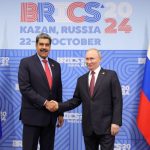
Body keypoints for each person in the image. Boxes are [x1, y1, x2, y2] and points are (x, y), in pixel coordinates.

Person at [49, 48, 122, 150]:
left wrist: (116, 122)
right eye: (87, 59)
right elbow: (75, 101)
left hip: (107, 127)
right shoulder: (81, 80)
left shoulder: (111, 75)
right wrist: (58, 106)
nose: (88, 61)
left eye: (92, 58)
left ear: (100, 59)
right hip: (88, 128)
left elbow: (117, 100)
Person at [18, 33, 64, 150]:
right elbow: (25, 88)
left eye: (47, 45)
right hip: (32, 117)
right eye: (41, 44)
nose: (44, 47)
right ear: (36, 45)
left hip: (50, 118)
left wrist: (60, 113)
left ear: (50, 47)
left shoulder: (56, 65)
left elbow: (58, 89)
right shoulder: (26, 63)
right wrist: (45, 102)